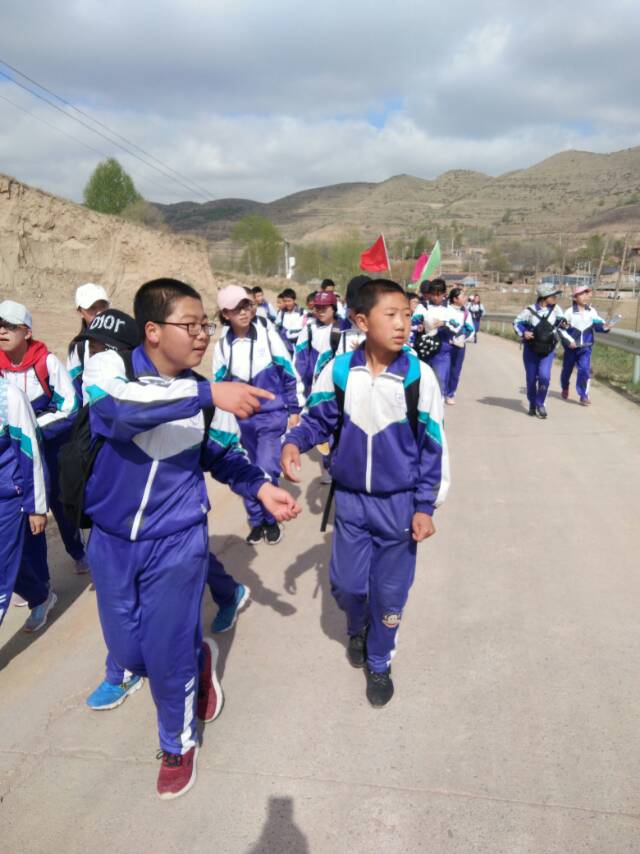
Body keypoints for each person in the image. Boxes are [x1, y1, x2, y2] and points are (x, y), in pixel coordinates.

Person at [82, 277, 301, 799]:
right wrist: (205, 393)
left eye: (206, 325)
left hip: (178, 539)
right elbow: (117, 411)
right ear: (152, 331)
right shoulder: (109, 367)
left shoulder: (209, 398)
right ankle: (198, 658)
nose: (203, 335)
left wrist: (261, 487)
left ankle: (177, 744)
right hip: (111, 540)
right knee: (131, 655)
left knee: (166, 654)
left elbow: (223, 456)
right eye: (191, 325)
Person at [281, 279, 450, 707]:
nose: (403, 324)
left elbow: (433, 446)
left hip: (399, 505)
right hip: (352, 502)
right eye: (390, 315)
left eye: (407, 315)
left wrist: (425, 506)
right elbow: (318, 420)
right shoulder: (340, 371)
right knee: (347, 586)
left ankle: (379, 660)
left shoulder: (419, 377)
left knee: (390, 594)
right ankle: (357, 627)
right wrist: (294, 441)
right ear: (361, 321)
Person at [0, 300, 87, 583]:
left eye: (10, 325)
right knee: (30, 512)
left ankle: (77, 551)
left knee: (62, 506)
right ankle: (42, 584)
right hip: (17, 452)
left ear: (27, 332)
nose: (2, 331)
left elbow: (70, 407)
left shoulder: (46, 362)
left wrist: (32, 428)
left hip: (51, 448)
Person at [213, 284, 304, 545]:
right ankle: (256, 521)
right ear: (225, 314)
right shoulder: (222, 346)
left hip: (270, 417)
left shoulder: (267, 334)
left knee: (265, 467)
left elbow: (288, 371)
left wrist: (294, 407)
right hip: (241, 421)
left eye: (246, 306)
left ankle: (271, 520)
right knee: (247, 469)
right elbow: (219, 386)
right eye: (236, 308)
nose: (243, 312)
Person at [0, 378, 50, 631]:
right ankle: (39, 595)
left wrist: (37, 507)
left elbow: (31, 451)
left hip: (10, 496)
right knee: (9, 561)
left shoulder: (9, 397)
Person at [513, 283, 573, 418]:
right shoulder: (529, 310)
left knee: (544, 377)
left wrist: (565, 325)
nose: (555, 298)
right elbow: (516, 323)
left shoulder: (556, 309)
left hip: (548, 350)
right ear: (544, 296)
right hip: (531, 350)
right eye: (553, 295)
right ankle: (532, 403)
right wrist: (524, 333)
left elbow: (561, 323)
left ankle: (540, 404)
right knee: (531, 379)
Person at [560, 285, 610, 406]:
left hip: (586, 347)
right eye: (582, 294)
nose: (585, 297)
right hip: (571, 348)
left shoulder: (592, 311)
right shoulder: (569, 312)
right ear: (575, 297)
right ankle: (565, 387)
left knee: (584, 370)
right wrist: (569, 341)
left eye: (586, 294)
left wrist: (605, 327)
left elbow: (599, 325)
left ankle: (584, 395)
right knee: (567, 370)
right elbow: (561, 329)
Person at [294, 291, 348, 396]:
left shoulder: (345, 329)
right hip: (310, 388)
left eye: (325, 307)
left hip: (335, 387)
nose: (321, 311)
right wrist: (299, 389)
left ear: (334, 308)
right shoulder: (309, 328)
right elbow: (300, 360)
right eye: (318, 307)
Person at [412, 279, 458, 396]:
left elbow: (457, 327)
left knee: (440, 381)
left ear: (444, 294)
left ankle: (439, 403)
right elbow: (413, 322)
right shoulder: (423, 307)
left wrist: (444, 323)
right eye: (433, 294)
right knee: (423, 382)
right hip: (425, 349)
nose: (436, 298)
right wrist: (419, 325)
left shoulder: (449, 309)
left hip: (442, 351)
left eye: (439, 295)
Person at [67, 283, 110, 397]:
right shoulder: (78, 348)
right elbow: (74, 392)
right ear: (79, 311)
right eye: (92, 308)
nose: (99, 313)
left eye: (103, 306)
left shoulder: (126, 340)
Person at [444, 288, 475, 405]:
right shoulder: (445, 310)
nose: (465, 298)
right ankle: (441, 392)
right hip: (445, 344)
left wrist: (462, 338)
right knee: (443, 369)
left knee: (455, 371)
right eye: (462, 296)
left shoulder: (466, 313)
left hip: (459, 346)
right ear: (455, 299)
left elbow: (470, 329)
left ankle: (450, 394)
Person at [275, 288, 304, 355]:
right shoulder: (281, 313)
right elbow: (276, 328)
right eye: (285, 301)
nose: (287, 303)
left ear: (294, 300)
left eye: (289, 301)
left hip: (298, 349)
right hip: (285, 348)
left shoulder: (302, 313)